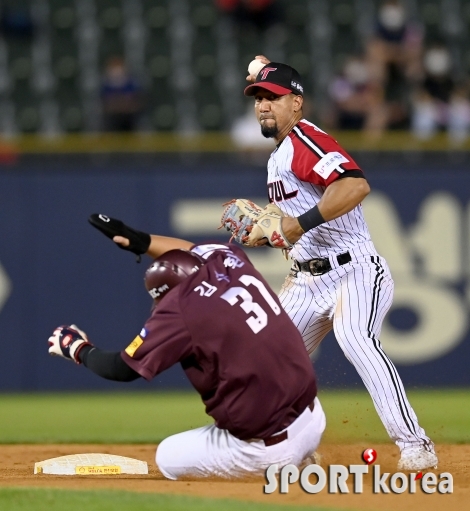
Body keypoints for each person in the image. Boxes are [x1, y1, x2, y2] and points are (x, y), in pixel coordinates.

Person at [235, 56, 438, 471]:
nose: (262, 106)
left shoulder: (305, 141)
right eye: (258, 98)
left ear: (297, 103)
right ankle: (296, 449)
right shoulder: (279, 155)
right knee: (265, 358)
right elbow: (294, 223)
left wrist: (298, 224)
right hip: (307, 281)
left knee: (355, 337)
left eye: (272, 98)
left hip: (355, 270)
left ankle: (416, 445)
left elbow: (355, 185)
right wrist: (272, 231)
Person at [47, 216, 325, 480]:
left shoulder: (180, 308)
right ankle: (301, 455)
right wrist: (141, 241)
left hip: (267, 450)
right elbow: (191, 250)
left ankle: (281, 466)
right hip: (313, 417)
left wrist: (77, 348)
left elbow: (123, 369)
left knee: (167, 456)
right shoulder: (226, 260)